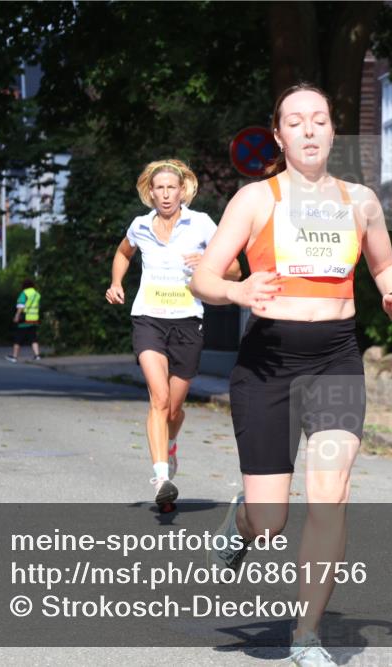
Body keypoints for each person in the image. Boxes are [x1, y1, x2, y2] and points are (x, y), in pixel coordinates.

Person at [190, 84, 392, 666]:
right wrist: (238, 289)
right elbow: (205, 278)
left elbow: (385, 263)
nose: (309, 129)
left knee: (330, 495)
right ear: (280, 135)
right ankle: (242, 524)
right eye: (297, 121)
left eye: (320, 119)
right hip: (267, 362)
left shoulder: (359, 200)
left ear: (333, 131)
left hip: (336, 357)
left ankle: (307, 634)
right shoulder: (254, 200)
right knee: (269, 521)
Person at [106, 158, 240, 513]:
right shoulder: (140, 225)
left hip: (187, 321)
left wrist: (212, 264)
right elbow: (123, 252)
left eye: (172, 188)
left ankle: (171, 442)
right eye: (159, 188)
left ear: (183, 191)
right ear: (150, 192)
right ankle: (162, 477)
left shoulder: (202, 224)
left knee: (175, 409)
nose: (166, 194)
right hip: (148, 318)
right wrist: (116, 282)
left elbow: (237, 269)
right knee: (159, 398)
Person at [5, 278, 41, 363]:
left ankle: (14, 357)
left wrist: (17, 316)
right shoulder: (37, 294)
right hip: (34, 319)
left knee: (18, 338)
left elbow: (21, 307)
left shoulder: (24, 293)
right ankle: (37, 355)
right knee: (33, 338)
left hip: (25, 319)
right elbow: (38, 306)